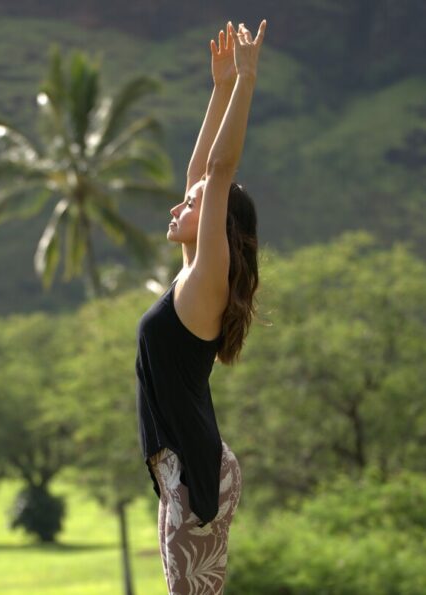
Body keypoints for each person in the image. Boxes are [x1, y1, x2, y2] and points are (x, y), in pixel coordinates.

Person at [135, 19, 267, 594]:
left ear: (217, 223)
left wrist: (246, 79)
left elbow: (215, 174)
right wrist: (217, 90)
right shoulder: (192, 274)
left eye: (191, 206)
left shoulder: (207, 282)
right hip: (182, 469)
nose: (176, 206)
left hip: (195, 469)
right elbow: (199, 175)